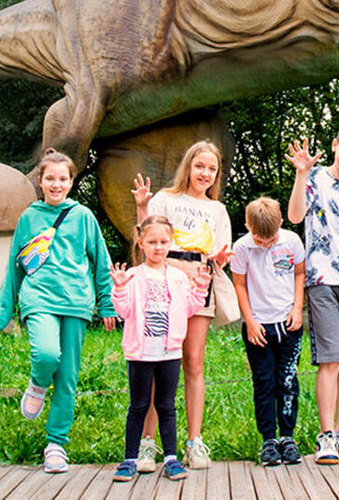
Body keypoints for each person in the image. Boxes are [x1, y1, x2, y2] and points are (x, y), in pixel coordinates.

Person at [0, 148, 117, 474]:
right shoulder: (29, 217)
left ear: (71, 182)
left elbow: (101, 262)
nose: (56, 184)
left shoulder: (83, 217)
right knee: (46, 355)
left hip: (76, 302)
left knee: (68, 378)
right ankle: (37, 383)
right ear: (40, 181)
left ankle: (56, 445)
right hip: (39, 299)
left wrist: (107, 304)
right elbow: (14, 267)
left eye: (63, 178)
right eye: (50, 179)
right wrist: (3, 313)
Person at [131, 141, 234, 471]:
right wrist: (142, 206)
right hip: (162, 288)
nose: (205, 173)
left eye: (212, 169)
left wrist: (215, 261)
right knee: (154, 360)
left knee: (193, 361)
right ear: (188, 166)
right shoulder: (164, 199)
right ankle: (148, 443)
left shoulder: (217, 210)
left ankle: (194, 441)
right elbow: (148, 239)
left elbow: (220, 254)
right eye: (199, 166)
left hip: (200, 289)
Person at [286, 120, 339, 465]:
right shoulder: (316, 177)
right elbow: (295, 216)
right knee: (330, 358)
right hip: (321, 276)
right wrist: (300, 174)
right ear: (335, 145)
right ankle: (324, 435)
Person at [110, 216, 211, 483]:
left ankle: (171, 459)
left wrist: (200, 287)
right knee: (138, 406)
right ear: (141, 243)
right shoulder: (132, 276)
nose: (158, 247)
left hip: (169, 352)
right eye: (152, 242)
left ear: (171, 243)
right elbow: (123, 311)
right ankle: (130, 459)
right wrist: (119, 288)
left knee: (166, 406)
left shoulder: (178, 277)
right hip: (141, 353)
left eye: (163, 242)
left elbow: (189, 308)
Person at [231, 197, 306, 467]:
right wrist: (249, 321)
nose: (266, 244)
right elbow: (239, 284)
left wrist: (298, 308)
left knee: (287, 381)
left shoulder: (291, 241)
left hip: (288, 324)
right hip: (258, 326)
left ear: (281, 225)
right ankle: (268, 440)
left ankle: (287, 437)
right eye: (260, 240)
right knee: (263, 383)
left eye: (271, 239)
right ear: (248, 226)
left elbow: (299, 274)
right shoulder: (241, 248)